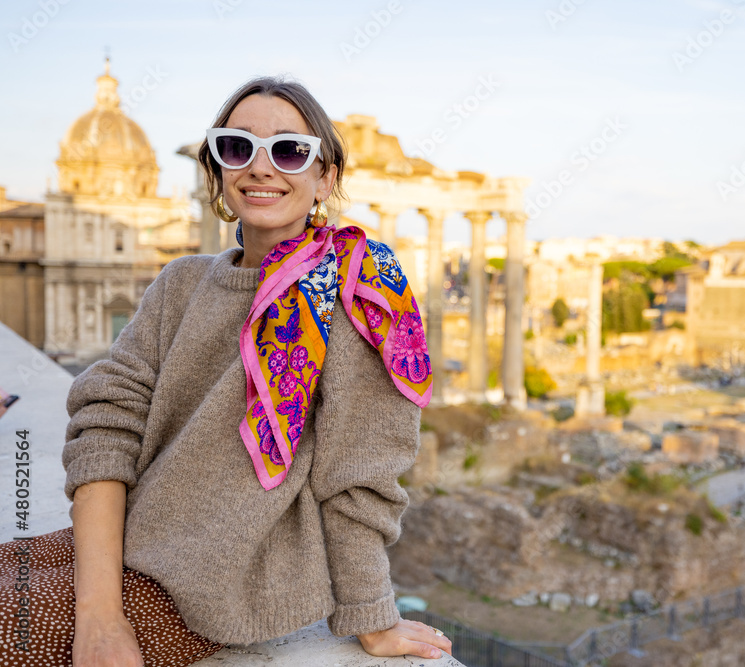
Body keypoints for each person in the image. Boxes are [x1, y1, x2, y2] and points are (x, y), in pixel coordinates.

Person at [2, 77, 452, 666]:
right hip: (122, 544)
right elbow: (106, 428)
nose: (261, 168)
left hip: (210, 588)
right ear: (217, 169)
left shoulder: (358, 295)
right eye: (238, 147)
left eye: (289, 151)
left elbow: (360, 475)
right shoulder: (180, 283)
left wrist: (372, 615)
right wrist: (100, 615)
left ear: (327, 177)